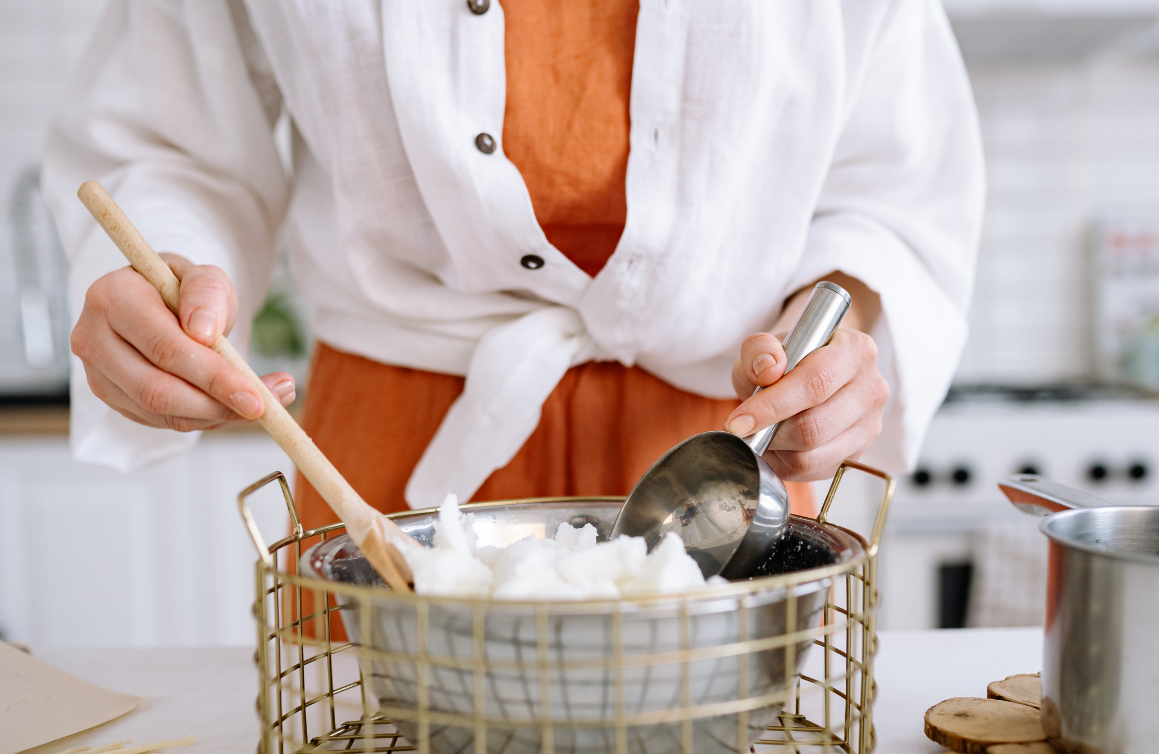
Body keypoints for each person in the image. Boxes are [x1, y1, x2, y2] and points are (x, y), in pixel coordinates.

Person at [44, 1, 984, 539]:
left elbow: (888, 187)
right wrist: (163, 275)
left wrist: (833, 333)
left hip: (727, 462)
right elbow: (170, 144)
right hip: (389, 471)